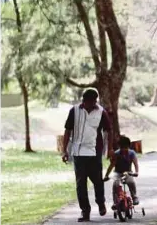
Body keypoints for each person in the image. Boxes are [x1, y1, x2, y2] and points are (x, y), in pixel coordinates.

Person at [62, 89, 114, 222]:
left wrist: (110, 149)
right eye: (90, 102)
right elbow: (68, 130)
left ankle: (101, 202)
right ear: (84, 101)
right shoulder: (74, 111)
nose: (92, 104)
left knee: (97, 180)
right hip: (78, 153)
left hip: (94, 152)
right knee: (81, 183)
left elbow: (109, 130)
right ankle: (85, 211)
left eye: (94, 101)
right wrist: (64, 150)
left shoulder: (101, 112)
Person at [104, 135, 140, 209]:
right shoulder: (116, 154)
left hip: (128, 172)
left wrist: (136, 172)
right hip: (118, 173)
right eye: (122, 148)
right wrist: (106, 175)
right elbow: (111, 166)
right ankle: (115, 202)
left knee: (131, 182)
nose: (123, 150)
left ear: (128, 146)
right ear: (119, 147)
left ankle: (134, 197)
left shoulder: (131, 153)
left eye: (125, 148)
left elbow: (135, 163)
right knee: (115, 185)